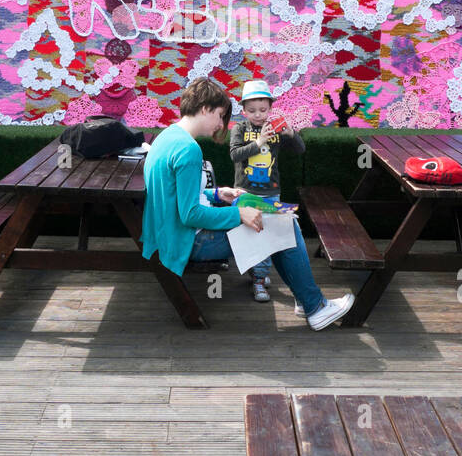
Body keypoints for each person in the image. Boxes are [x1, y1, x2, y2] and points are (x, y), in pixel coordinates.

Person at [141, 77, 354, 330]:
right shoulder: (188, 149)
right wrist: (239, 214)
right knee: (282, 226)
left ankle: (305, 299)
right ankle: (314, 306)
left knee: (278, 221)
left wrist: (217, 194)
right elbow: (190, 215)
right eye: (220, 116)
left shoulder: (167, 137)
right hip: (190, 241)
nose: (221, 124)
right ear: (205, 109)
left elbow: (173, 196)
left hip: (169, 235)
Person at [229, 79, 305, 302]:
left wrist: (292, 134)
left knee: (268, 237)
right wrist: (260, 140)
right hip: (245, 192)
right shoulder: (240, 129)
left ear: (270, 108)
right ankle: (258, 276)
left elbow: (300, 150)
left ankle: (260, 277)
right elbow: (235, 155)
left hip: (271, 193)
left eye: (263, 110)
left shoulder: (275, 128)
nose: (258, 115)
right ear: (243, 110)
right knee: (251, 236)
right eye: (252, 110)